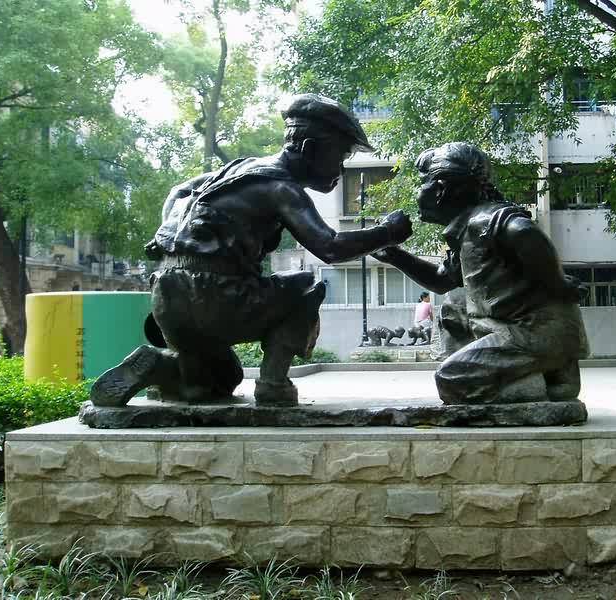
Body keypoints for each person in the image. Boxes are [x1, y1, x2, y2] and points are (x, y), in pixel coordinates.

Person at [92, 94, 412, 407]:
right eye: (339, 157)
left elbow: (179, 190)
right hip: (214, 296)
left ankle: (157, 365)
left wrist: (175, 237)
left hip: (166, 296)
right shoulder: (281, 187)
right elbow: (329, 248)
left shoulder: (239, 168)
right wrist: (387, 232)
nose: (340, 170)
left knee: (218, 381)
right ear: (309, 148)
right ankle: (273, 385)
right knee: (307, 285)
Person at [372, 142, 589, 404]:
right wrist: (393, 254)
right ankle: (548, 374)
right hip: (510, 325)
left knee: (449, 379)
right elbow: (441, 281)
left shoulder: (485, 221)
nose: (419, 193)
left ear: (440, 189)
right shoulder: (466, 230)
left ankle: (535, 382)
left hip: (534, 332)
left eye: (422, 183)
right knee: (453, 307)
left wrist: (558, 283)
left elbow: (523, 231)